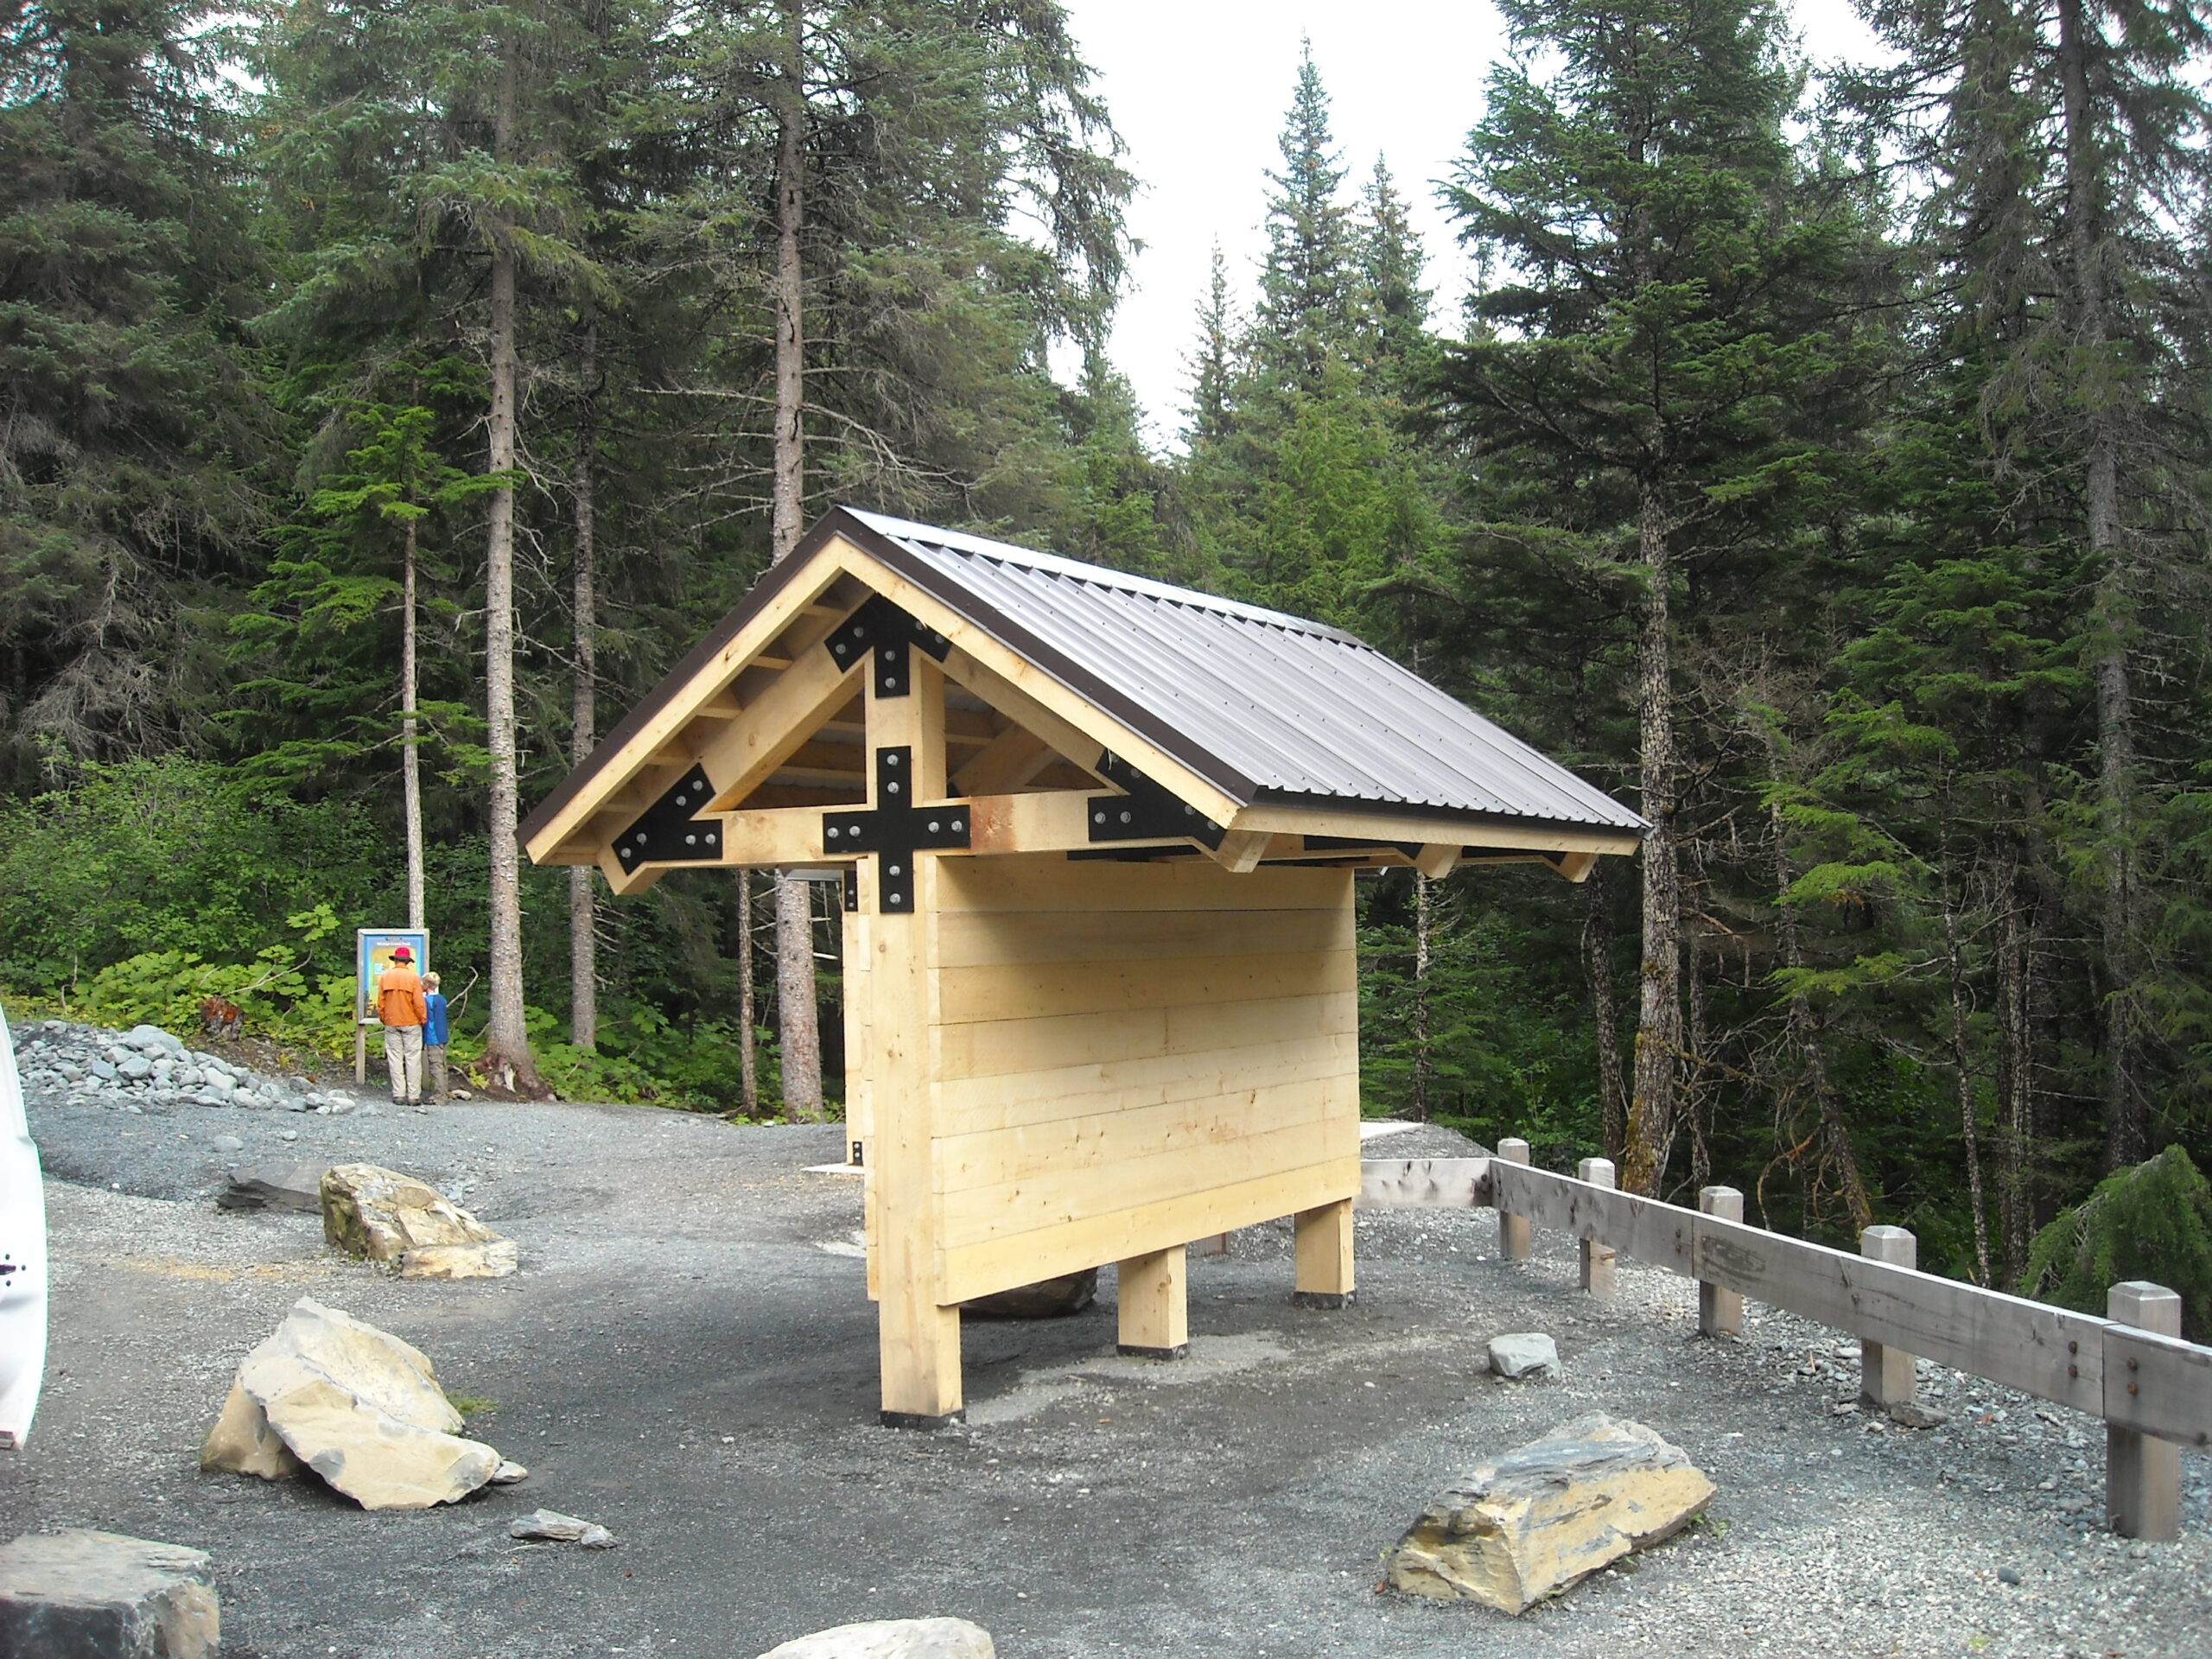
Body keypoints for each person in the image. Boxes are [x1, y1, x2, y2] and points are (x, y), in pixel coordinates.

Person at [376, 945, 429, 1108]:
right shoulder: (413, 978)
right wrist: (423, 1019)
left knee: (395, 1059)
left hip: (392, 1022)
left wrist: (384, 1018)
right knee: (413, 1059)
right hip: (411, 1022)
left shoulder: (385, 977)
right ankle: (413, 1096)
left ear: (395, 960)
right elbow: (419, 1003)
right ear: (407, 962)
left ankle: (398, 1094)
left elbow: (381, 1003)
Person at [421, 971, 450, 1104]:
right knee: (443, 1065)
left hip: (433, 1036)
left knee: (436, 1066)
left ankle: (439, 1096)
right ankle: (444, 1091)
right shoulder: (441, 999)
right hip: (443, 1035)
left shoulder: (427, 1001)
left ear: (426, 985)